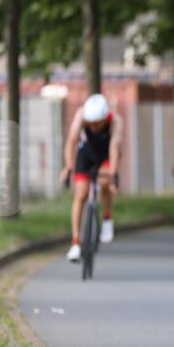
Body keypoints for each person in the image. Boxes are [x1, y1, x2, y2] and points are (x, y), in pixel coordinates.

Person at [60, 94, 123, 262]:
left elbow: (115, 147)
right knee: (80, 194)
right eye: (91, 123)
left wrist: (113, 174)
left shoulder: (115, 120)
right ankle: (75, 243)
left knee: (104, 182)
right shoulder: (81, 116)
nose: (94, 126)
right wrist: (68, 166)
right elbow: (71, 141)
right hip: (86, 153)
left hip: (106, 154)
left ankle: (107, 219)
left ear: (104, 117)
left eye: (98, 122)